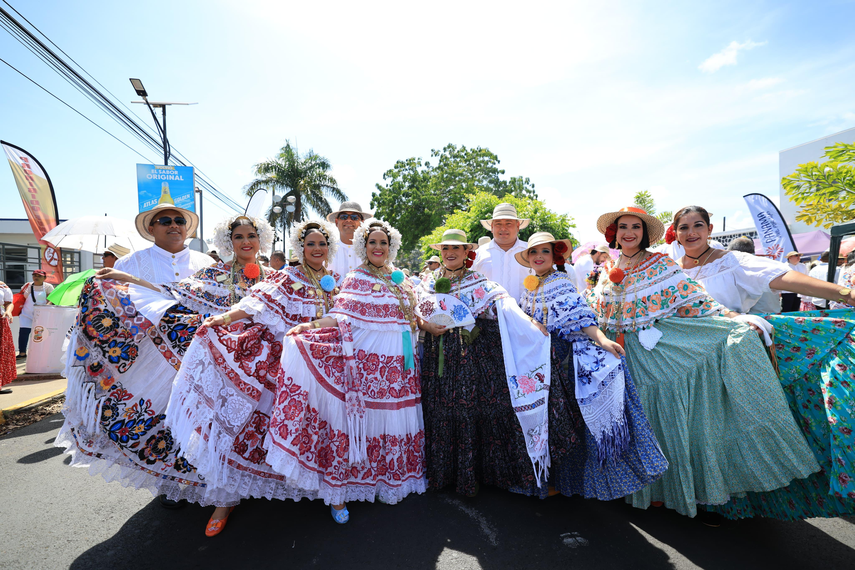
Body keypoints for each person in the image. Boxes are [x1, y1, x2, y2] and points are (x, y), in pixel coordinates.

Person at [588, 206, 819, 523]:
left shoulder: (659, 264)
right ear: (613, 233)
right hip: (617, 356)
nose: (629, 232)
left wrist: (733, 319)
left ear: (644, 234)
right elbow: (593, 309)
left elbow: (693, 298)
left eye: (636, 227)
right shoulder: (606, 269)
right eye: (623, 227)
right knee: (628, 418)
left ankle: (669, 493)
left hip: (654, 353)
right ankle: (636, 488)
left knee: (661, 420)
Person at [55, 209, 265, 517]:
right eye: (165, 221)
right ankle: (174, 482)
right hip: (156, 361)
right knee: (169, 420)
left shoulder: (206, 263)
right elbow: (169, 296)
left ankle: (227, 478)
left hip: (215, 359)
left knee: (212, 420)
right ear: (152, 227)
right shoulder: (132, 263)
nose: (174, 226)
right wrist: (121, 279)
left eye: (179, 221)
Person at [669, 206, 855, 520]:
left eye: (697, 225)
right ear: (675, 232)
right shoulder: (671, 268)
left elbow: (784, 277)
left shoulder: (732, 262)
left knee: (726, 431)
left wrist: (844, 293)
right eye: (683, 227)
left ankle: (728, 502)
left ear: (710, 228)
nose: (691, 233)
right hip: (683, 363)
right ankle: (700, 496)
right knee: (693, 432)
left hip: (727, 357)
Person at [166, 220, 341, 536]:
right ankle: (226, 498)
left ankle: (332, 492)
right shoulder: (287, 277)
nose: (316, 249)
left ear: (330, 247)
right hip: (283, 364)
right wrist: (220, 319)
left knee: (323, 425)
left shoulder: (336, 281)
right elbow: (254, 304)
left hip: (326, 368)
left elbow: (351, 315)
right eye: (310, 244)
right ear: (300, 248)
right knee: (248, 422)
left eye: (322, 243)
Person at [263, 218, 436, 523]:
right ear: (363, 246)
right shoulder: (356, 278)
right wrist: (311, 326)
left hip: (402, 365)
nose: (378, 247)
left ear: (391, 246)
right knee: (363, 423)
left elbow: (414, 312)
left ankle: (389, 479)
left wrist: (428, 324)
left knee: (395, 417)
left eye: (383, 242)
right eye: (372, 242)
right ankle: (342, 491)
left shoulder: (402, 279)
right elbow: (339, 315)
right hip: (369, 367)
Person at [515, 232, 668, 500]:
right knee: (546, 423)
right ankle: (553, 480)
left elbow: (583, 320)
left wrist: (604, 340)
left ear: (554, 257)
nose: (538, 257)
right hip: (539, 365)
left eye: (545, 252)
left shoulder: (559, 284)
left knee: (566, 425)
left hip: (562, 364)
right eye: (533, 252)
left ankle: (570, 483)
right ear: (527, 258)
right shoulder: (529, 286)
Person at [415, 229, 567, 497]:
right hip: (437, 354)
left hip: (470, 354)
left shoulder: (478, 280)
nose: (450, 253)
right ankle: (444, 474)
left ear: (466, 253)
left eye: (456, 248)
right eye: (445, 248)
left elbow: (503, 302)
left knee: (471, 410)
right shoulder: (428, 281)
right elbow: (413, 309)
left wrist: (528, 321)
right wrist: (426, 324)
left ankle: (475, 475)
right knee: (440, 410)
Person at [472, 203, 530, 301]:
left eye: (508, 223)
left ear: (517, 226)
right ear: (492, 227)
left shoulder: (531, 251)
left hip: (526, 314)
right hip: (487, 315)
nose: (503, 228)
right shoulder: (478, 254)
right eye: (498, 224)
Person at [327, 201, 371, 282]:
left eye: (354, 217)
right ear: (337, 222)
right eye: (344, 217)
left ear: (362, 223)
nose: (349, 220)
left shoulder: (371, 250)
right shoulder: (326, 250)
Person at [16, 269, 54, 358]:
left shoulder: (48, 286)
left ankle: (40, 353)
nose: (36, 277)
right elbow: (22, 297)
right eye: (34, 275)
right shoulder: (28, 285)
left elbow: (51, 299)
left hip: (41, 314)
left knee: (39, 333)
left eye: (39, 276)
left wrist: (46, 306)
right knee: (23, 332)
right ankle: (22, 353)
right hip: (26, 313)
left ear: (44, 278)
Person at [0, 280, 14, 394]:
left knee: (2, 353)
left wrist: (8, 311)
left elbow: (9, 302)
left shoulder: (2, 286)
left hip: (1, 320)